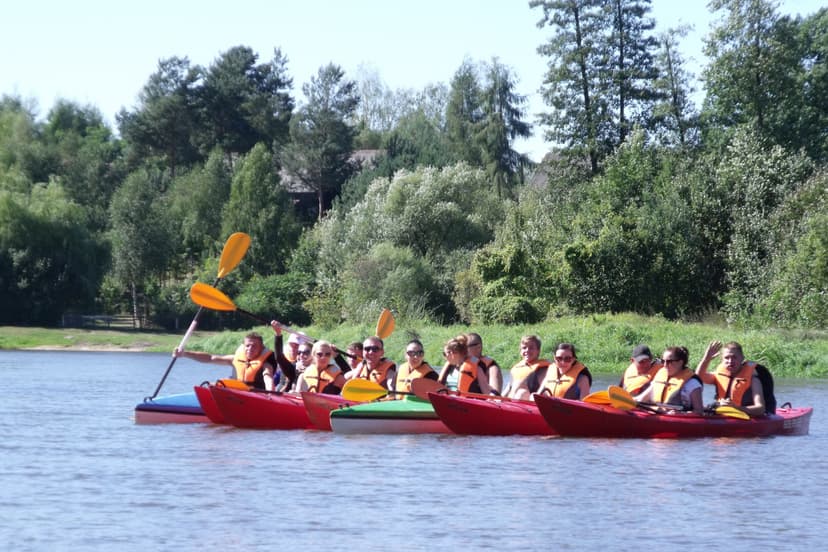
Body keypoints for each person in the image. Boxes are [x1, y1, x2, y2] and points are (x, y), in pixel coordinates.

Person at [172, 331, 279, 391]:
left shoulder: (266, 364)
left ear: (261, 348)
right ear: (244, 346)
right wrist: (184, 354)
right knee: (215, 384)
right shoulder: (235, 359)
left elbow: (268, 378)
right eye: (247, 346)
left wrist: (270, 395)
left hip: (256, 395)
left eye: (254, 346)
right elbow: (210, 358)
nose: (250, 349)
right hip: (236, 393)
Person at [695, 340, 774, 417]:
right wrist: (706, 359)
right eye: (726, 358)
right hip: (723, 415)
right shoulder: (719, 375)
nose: (730, 361)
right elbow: (699, 377)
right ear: (722, 360)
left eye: (734, 357)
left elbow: (760, 408)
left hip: (747, 417)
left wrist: (735, 408)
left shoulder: (753, 379)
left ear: (742, 358)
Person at [637, 346, 704, 414]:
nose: (665, 365)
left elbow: (699, 411)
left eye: (669, 362)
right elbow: (640, 399)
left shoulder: (692, 383)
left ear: (680, 362)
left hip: (678, 421)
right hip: (657, 415)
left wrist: (681, 414)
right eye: (663, 361)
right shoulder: (660, 377)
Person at [502, 335, 551, 400]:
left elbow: (546, 387)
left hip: (531, 401)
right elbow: (509, 387)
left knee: (521, 393)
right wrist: (499, 398)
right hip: (512, 401)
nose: (527, 350)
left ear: (538, 351)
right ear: (520, 351)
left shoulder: (544, 368)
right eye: (524, 348)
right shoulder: (516, 368)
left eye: (531, 348)